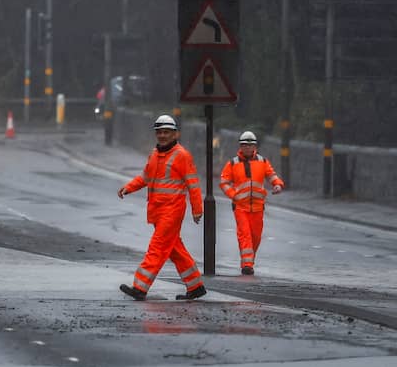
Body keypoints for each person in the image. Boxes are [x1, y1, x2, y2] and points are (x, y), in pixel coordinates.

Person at [117, 114, 207, 301]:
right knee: (175, 249)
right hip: (158, 211)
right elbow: (145, 177)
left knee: (157, 248)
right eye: (159, 132)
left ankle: (140, 287)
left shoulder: (182, 155)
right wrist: (129, 187)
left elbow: (193, 184)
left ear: (175, 134)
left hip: (172, 212)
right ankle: (195, 285)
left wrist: (197, 209)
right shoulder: (154, 154)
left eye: (166, 132)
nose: (162, 135)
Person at [219, 130, 284, 275]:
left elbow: (271, 175)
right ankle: (247, 264)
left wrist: (277, 184)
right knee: (245, 234)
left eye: (250, 145)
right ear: (240, 147)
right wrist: (233, 195)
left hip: (258, 206)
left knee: (256, 236)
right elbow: (224, 182)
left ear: (255, 147)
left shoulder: (262, 161)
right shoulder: (233, 163)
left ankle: (249, 259)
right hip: (240, 206)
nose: (247, 148)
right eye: (244, 145)